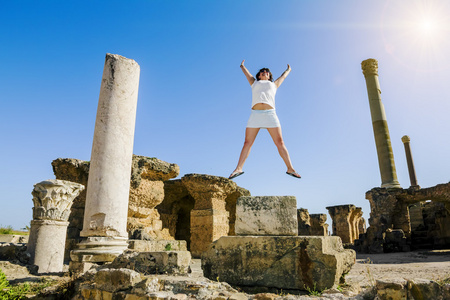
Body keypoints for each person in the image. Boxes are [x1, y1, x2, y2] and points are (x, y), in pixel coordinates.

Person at [228, 60, 301, 179]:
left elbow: (283, 77)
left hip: (270, 115)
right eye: (262, 71)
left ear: (270, 76)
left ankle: (290, 169)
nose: (264, 72)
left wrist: (288, 70)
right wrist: (242, 66)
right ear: (258, 75)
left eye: (267, 72)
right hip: (255, 115)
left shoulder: (274, 84)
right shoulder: (254, 82)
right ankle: (238, 169)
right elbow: (247, 74)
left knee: (280, 142)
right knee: (247, 143)